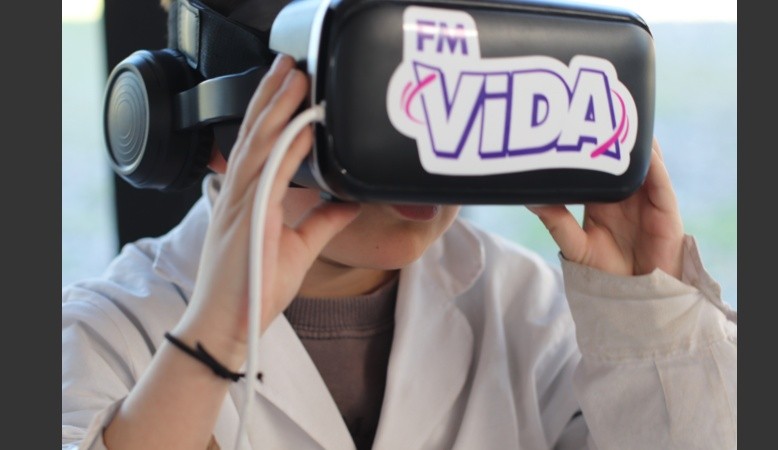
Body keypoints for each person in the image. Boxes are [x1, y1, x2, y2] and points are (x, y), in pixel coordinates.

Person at [62, 1, 737, 449]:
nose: (422, 158)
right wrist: (214, 338)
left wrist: (649, 320)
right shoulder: (105, 334)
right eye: (379, 98)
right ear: (218, 126)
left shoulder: (530, 313)